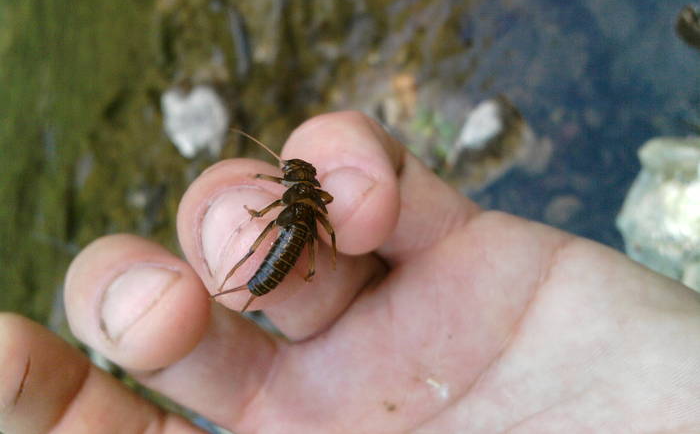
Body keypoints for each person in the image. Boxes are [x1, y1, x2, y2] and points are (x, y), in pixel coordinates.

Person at [1, 111, 699, 434]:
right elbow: (311, 216)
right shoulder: (302, 204)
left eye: (292, 170)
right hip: (290, 249)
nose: (292, 171)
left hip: (288, 250)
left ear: (293, 180)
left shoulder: (297, 203)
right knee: (247, 242)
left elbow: (310, 216)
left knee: (249, 246)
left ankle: (242, 277)